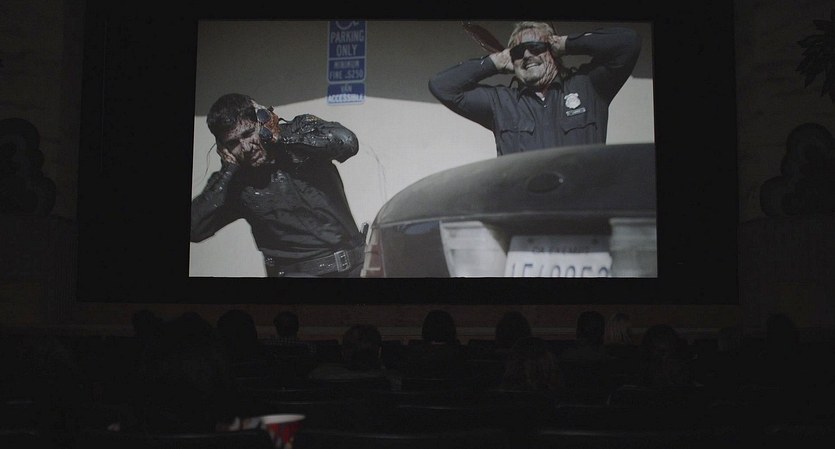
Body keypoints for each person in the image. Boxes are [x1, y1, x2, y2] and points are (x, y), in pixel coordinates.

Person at [190, 93, 366, 277]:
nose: (246, 147)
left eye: (248, 134)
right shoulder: (235, 180)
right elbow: (194, 229)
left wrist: (279, 137)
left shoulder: (299, 130)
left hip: (354, 269)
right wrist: (229, 169)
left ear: (262, 121)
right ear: (223, 148)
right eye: (233, 143)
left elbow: (347, 142)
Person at [429, 21, 641, 156]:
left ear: (553, 51)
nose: (527, 55)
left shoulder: (588, 86)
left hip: (581, 209)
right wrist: (497, 61)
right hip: (525, 211)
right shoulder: (500, 102)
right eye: (518, 52)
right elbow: (442, 86)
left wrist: (566, 44)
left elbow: (628, 43)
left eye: (536, 47)